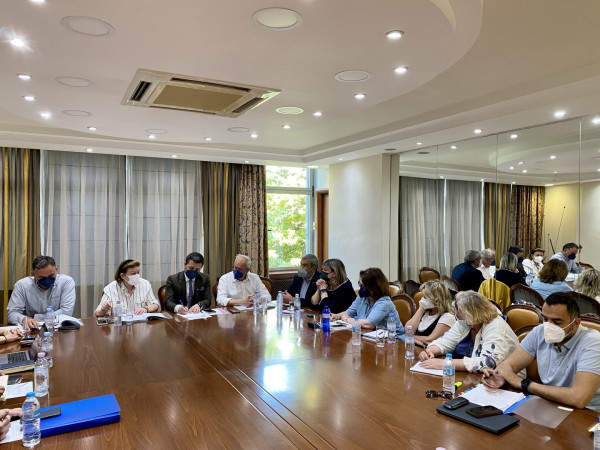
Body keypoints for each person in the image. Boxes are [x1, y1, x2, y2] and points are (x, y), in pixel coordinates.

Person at [483, 292, 600, 411]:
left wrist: (524, 384)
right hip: (550, 404)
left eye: (557, 322)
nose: (548, 326)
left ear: (575, 323)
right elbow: (509, 365)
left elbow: (578, 398)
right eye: (545, 319)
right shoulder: (539, 332)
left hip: (587, 413)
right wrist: (499, 377)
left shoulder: (593, 342)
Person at [418, 291, 520, 373]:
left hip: (505, 381)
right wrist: (430, 351)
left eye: (459, 313)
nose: (457, 316)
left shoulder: (496, 326)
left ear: (470, 314)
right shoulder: (467, 322)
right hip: (473, 377)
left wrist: (447, 363)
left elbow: (487, 363)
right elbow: (446, 341)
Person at [331, 267, 405, 340]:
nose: (361, 288)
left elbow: (368, 324)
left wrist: (347, 319)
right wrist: (337, 316)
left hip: (393, 340)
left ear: (375, 287)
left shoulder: (384, 303)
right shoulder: (362, 298)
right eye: (360, 284)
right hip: (371, 337)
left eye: (363, 286)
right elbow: (349, 312)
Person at [7, 255, 76, 329]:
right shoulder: (22, 285)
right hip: (32, 329)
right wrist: (24, 319)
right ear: (33, 274)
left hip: (58, 329)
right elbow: (12, 313)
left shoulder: (66, 282)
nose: (47, 280)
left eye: (51, 275)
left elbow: (66, 312)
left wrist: (35, 317)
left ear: (56, 269)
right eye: (42, 277)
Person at [95, 259, 160, 317]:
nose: (137, 276)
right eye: (133, 273)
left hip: (141, 323)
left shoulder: (145, 284)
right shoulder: (110, 288)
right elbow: (97, 313)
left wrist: (146, 309)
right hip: (120, 325)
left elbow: (155, 305)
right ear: (122, 276)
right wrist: (103, 310)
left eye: (138, 272)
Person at [405, 279, 455, 347]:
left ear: (437, 299)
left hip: (430, 352)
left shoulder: (448, 317)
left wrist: (411, 337)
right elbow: (408, 330)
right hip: (414, 348)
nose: (423, 299)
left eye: (426, 297)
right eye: (423, 296)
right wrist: (421, 309)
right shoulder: (425, 310)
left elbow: (429, 340)